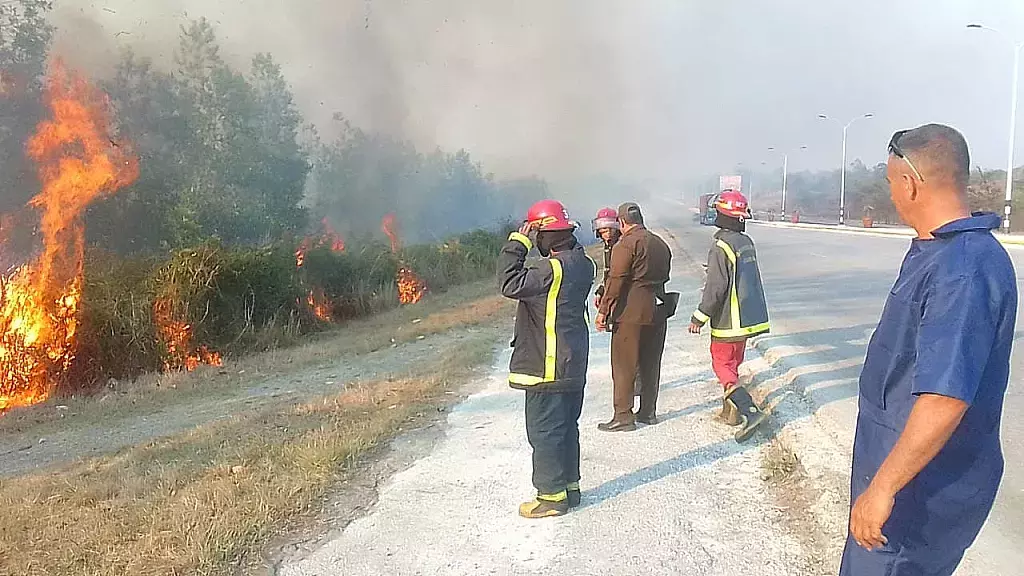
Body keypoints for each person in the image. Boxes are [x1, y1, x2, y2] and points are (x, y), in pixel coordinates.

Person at [840, 124, 1017, 575]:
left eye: (890, 183)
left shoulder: (962, 270)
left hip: (919, 495)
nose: (892, 195)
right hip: (902, 477)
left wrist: (883, 488)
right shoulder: (938, 252)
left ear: (910, 183)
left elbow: (945, 396)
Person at [498, 199, 595, 518]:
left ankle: (551, 498)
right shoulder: (583, 264)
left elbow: (509, 283)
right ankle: (569, 487)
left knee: (544, 432)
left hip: (546, 365)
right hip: (572, 363)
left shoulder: (549, 269)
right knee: (567, 427)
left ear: (542, 234)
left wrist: (517, 243)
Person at [688, 189, 769, 443]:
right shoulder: (746, 243)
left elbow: (715, 288)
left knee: (722, 366)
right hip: (748, 320)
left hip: (728, 320)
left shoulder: (721, 246)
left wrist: (699, 316)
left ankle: (750, 411)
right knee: (733, 365)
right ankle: (729, 413)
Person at [595, 202, 674, 431]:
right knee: (651, 363)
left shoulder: (626, 245)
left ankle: (623, 415)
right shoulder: (660, 243)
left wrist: (604, 312)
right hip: (658, 308)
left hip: (631, 311)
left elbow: (616, 281)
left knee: (624, 365)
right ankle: (648, 412)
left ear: (621, 222)